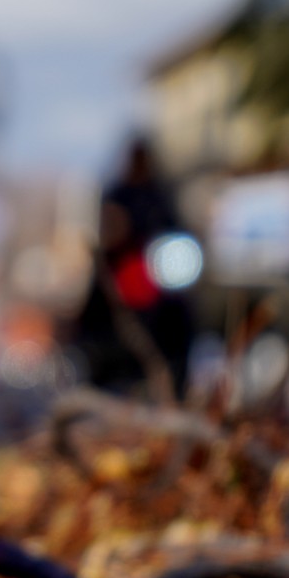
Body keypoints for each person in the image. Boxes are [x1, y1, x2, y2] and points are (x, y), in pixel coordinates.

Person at [72, 135, 193, 398]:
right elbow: (110, 229)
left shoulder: (162, 196)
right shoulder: (118, 193)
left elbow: (176, 232)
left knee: (178, 335)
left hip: (160, 289)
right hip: (121, 288)